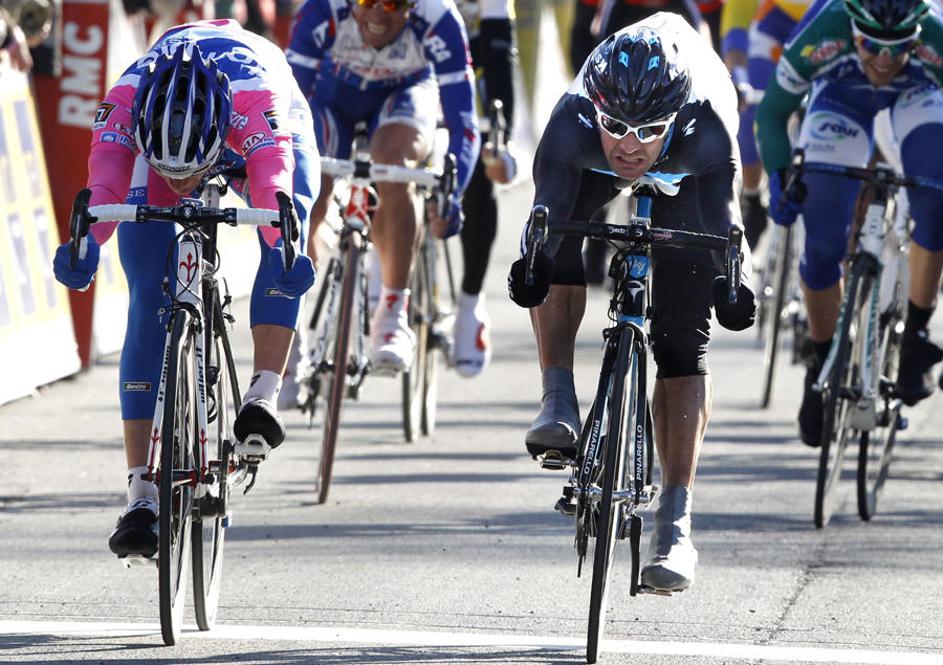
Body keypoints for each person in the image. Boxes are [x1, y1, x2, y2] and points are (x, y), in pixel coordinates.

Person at [507, 12, 756, 593]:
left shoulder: (705, 122)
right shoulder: (573, 121)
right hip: (587, 150)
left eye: (647, 131)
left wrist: (733, 282)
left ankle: (676, 520)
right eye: (617, 126)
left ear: (673, 119)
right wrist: (534, 265)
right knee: (560, 242)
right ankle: (558, 398)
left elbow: (728, 226)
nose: (629, 145)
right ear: (597, 110)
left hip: (690, 170)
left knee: (680, 342)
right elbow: (543, 218)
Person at [52, 19, 319, 559]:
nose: (179, 185)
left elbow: (273, 191)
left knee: (288, 229)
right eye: (170, 172)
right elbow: (102, 192)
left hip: (255, 132)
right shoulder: (125, 103)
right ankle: (140, 493)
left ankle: (263, 395)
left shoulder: (256, 100)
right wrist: (85, 244)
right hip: (165, 128)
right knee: (148, 290)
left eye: (187, 172)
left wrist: (284, 246)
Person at [755, 0, 943, 446]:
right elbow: (773, 113)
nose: (884, 58)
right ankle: (823, 363)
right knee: (822, 243)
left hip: (918, 98)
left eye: (899, 47)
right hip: (841, 99)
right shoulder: (826, 27)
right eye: (870, 44)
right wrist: (781, 176)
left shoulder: (935, 35)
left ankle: (915, 334)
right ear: (850, 28)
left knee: (934, 201)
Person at [287, 0, 480, 374]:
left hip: (405, 95)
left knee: (392, 166)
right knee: (311, 181)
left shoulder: (439, 19)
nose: (377, 14)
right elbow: (284, 106)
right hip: (332, 97)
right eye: (365, 0)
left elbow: (464, 123)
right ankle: (290, 326)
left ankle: (392, 311)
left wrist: (451, 193)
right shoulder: (322, 10)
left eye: (392, 2)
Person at [452, 0, 517, 376]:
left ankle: (470, 303)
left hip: (472, 59)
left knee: (480, 170)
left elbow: (499, 52)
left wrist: (500, 135)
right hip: (412, 54)